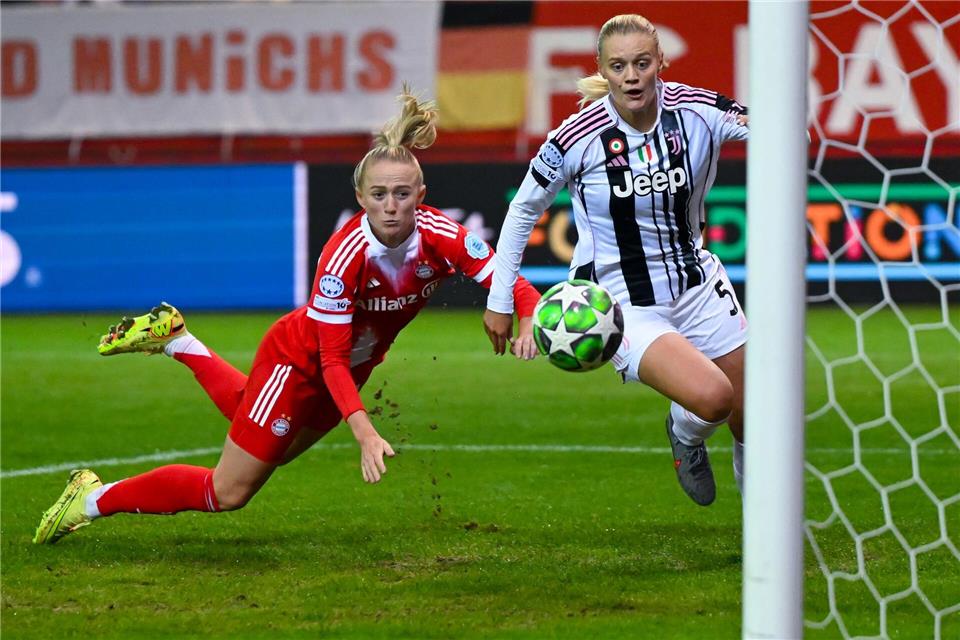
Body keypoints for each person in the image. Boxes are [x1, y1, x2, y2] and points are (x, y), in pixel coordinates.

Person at [34, 88, 541, 544]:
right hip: (301, 359)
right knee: (229, 489)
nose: (391, 206)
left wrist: (520, 317)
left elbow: (517, 286)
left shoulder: (444, 237)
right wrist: (363, 429)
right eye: (379, 195)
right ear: (360, 198)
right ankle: (89, 500)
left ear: (421, 197)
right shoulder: (343, 257)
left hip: (351, 368)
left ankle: (178, 340)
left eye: (403, 194)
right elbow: (332, 358)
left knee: (259, 433)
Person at [483, 14, 749, 507]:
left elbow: (775, 133)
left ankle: (767, 549)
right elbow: (523, 210)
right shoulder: (575, 137)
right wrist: (500, 299)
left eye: (642, 63)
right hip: (621, 302)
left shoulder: (699, 110)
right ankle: (685, 435)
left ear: (660, 64)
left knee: (753, 416)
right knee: (714, 398)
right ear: (602, 70)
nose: (631, 76)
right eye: (619, 66)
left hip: (696, 283)